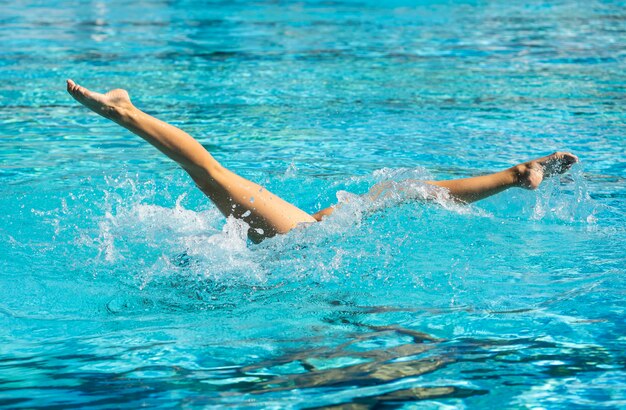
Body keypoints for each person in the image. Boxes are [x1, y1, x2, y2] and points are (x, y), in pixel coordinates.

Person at [66, 80, 578, 243]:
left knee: (210, 175)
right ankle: (515, 174)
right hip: (309, 236)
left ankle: (124, 112)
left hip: (299, 243)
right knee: (403, 191)